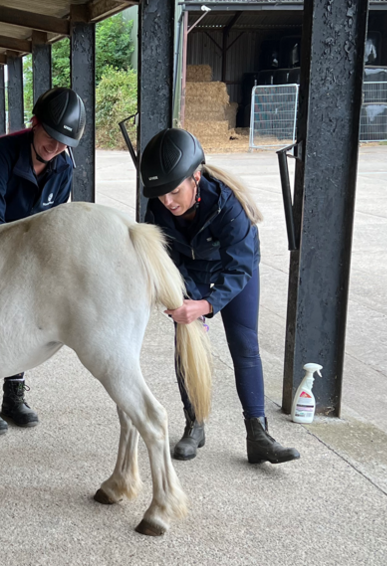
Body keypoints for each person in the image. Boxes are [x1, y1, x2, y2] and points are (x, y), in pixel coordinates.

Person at [139, 128, 300, 464]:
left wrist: (208, 305)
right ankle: (194, 425)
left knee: (244, 344)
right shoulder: (158, 208)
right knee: (187, 341)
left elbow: (239, 268)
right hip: (190, 270)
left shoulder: (229, 204)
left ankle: (258, 434)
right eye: (160, 195)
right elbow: (161, 256)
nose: (167, 202)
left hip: (234, 267)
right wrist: (183, 299)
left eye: (173, 191)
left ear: (195, 177)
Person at [0, 87, 86, 435]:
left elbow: (54, 222)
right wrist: (12, 270)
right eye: (50, 136)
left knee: (23, 316)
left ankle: (14, 396)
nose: (55, 147)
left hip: (21, 246)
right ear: (35, 123)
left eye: (63, 142)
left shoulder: (63, 167)